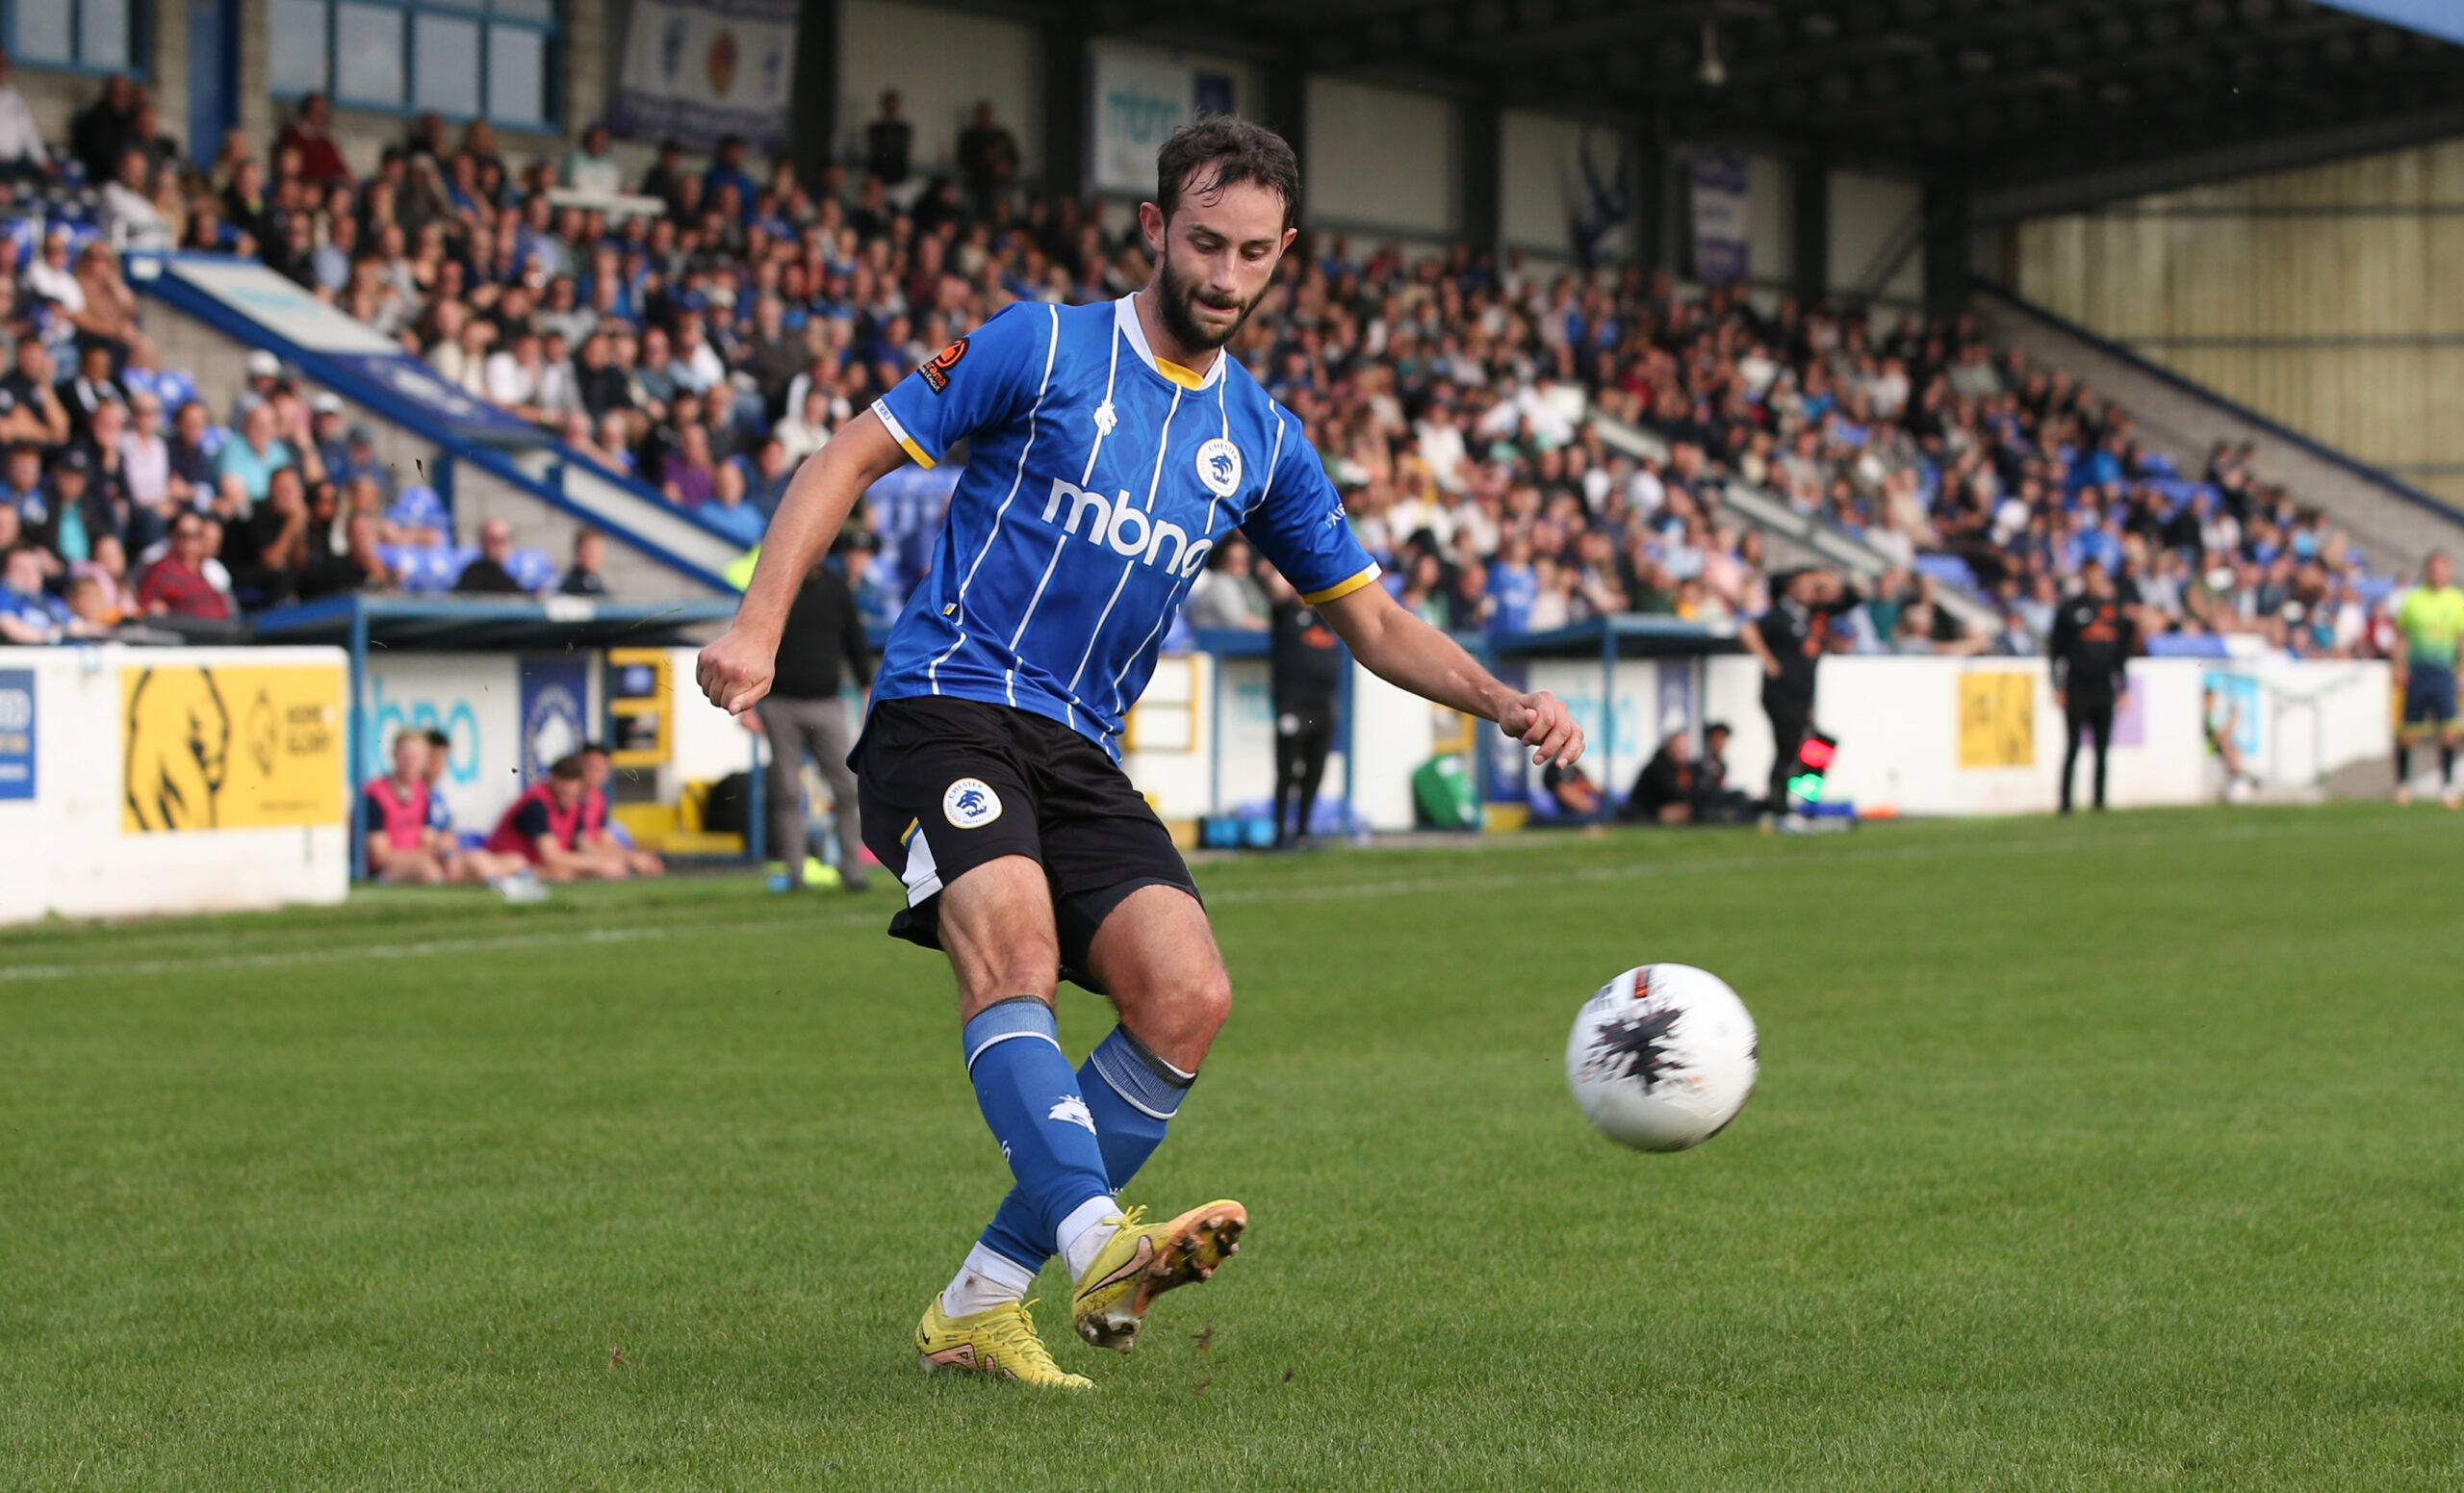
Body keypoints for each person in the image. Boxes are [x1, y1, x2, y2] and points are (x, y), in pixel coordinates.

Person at [693, 116, 1582, 1390]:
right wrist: (760, 625)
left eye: (1255, 254)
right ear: (1156, 227)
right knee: (1017, 945)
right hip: (947, 701)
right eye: (1206, 242)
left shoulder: (1262, 438)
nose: (1225, 276)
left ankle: (981, 1300)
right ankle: (1101, 1244)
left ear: (1286, 257)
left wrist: (1499, 697)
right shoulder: (1037, 342)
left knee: (1187, 995)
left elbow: (1373, 619)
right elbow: (849, 452)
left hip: (1080, 748)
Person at [755, 544, 873, 893]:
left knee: (847, 789)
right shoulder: (776, 586)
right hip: (780, 704)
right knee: (787, 792)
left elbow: (855, 639)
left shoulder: (837, 589)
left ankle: (851, 869)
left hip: (827, 702)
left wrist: (868, 688)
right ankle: (795, 874)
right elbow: (754, 637)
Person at [1741, 568, 1859, 816]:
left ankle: (1802, 799)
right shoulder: (1779, 616)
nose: (1810, 591)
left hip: (1800, 699)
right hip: (1781, 696)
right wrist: (1768, 660)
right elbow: (1748, 630)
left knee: (1820, 746)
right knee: (1787, 752)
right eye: (1804, 586)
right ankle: (1781, 808)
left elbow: (1847, 600)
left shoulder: (1805, 617)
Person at [1263, 560, 1343, 848]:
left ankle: (1304, 831)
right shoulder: (1285, 613)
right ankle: (1281, 833)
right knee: (1287, 771)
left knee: (1314, 771)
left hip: (1322, 706)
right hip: (1292, 705)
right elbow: (1273, 585)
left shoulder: (1326, 618)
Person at [2049, 558, 2137, 814]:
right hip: (2077, 684)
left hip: (2103, 685)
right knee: (2073, 746)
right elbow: (2056, 653)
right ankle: (2065, 804)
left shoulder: (2113, 611)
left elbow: (2121, 656)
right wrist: (2057, 685)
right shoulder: (2069, 610)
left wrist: (2124, 688)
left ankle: (2099, 801)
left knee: (2102, 749)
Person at [2391, 550, 2464, 808]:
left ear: (2449, 572)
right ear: (2426, 571)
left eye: (2443, 569)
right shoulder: (2414, 599)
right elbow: (2402, 636)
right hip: (2417, 673)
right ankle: (2402, 784)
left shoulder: (2457, 600)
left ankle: (2447, 786)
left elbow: (2461, 638)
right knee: (2408, 733)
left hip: (2444, 673)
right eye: (2433, 569)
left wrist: (2462, 670)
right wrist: (2398, 666)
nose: (2438, 574)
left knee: (2448, 733)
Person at [484, 755, 629, 880]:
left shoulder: (576, 804)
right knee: (564, 873)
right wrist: (598, 864)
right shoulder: (536, 805)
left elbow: (584, 845)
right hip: (508, 865)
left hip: (536, 865)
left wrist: (626, 859)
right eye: (563, 782)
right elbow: (551, 857)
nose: (566, 790)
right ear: (552, 779)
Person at [576, 743, 665, 877]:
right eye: (593, 768)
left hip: (591, 854)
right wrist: (630, 858)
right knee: (616, 868)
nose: (598, 774)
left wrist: (634, 856)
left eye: (603, 769)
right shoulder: (572, 799)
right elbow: (582, 846)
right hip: (574, 857)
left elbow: (604, 838)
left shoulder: (598, 798)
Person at [452, 521, 529, 594]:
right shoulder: (474, 574)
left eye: (503, 540)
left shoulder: (514, 572)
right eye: (493, 540)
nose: (498, 546)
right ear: (482, 542)